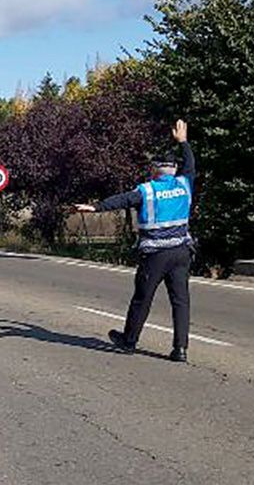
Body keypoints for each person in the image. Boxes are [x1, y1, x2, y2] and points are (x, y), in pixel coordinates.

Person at [75, 119, 194, 362]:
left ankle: (129, 340)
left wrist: (95, 207)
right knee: (180, 301)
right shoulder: (185, 184)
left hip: (155, 255)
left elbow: (122, 200)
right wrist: (183, 143)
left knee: (143, 297)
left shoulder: (147, 191)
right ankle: (180, 349)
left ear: (156, 169)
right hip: (182, 251)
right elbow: (191, 165)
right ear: (174, 169)